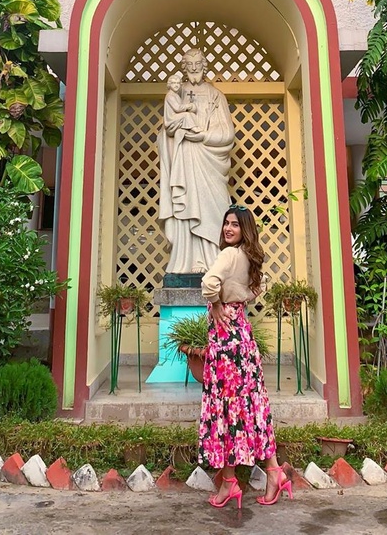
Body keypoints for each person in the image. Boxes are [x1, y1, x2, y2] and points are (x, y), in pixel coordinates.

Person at [198, 205, 293, 508]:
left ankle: (229, 483)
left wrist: (216, 304)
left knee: (225, 408)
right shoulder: (249, 258)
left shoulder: (228, 255)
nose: (228, 229)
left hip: (226, 338)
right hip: (242, 332)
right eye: (226, 223)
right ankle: (274, 472)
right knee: (250, 404)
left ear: (244, 230)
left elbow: (208, 283)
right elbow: (259, 287)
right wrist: (236, 300)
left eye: (235, 225)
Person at [158, 48, 234, 274]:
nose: (193, 69)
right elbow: (166, 128)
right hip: (184, 158)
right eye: (189, 64)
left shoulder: (215, 95)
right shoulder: (175, 95)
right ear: (183, 67)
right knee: (185, 206)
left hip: (209, 161)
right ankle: (185, 261)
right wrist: (171, 136)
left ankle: (213, 263)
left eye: (197, 64)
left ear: (204, 66)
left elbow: (227, 133)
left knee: (215, 209)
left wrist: (204, 136)